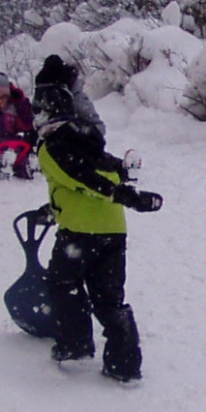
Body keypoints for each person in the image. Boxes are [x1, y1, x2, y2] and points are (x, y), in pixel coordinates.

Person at [33, 54, 162, 383]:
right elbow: (98, 175)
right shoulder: (91, 145)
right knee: (109, 299)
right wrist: (52, 209)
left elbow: (80, 179)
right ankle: (125, 364)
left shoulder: (52, 147)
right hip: (112, 233)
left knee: (63, 284)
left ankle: (75, 344)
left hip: (79, 233)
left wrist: (122, 195)